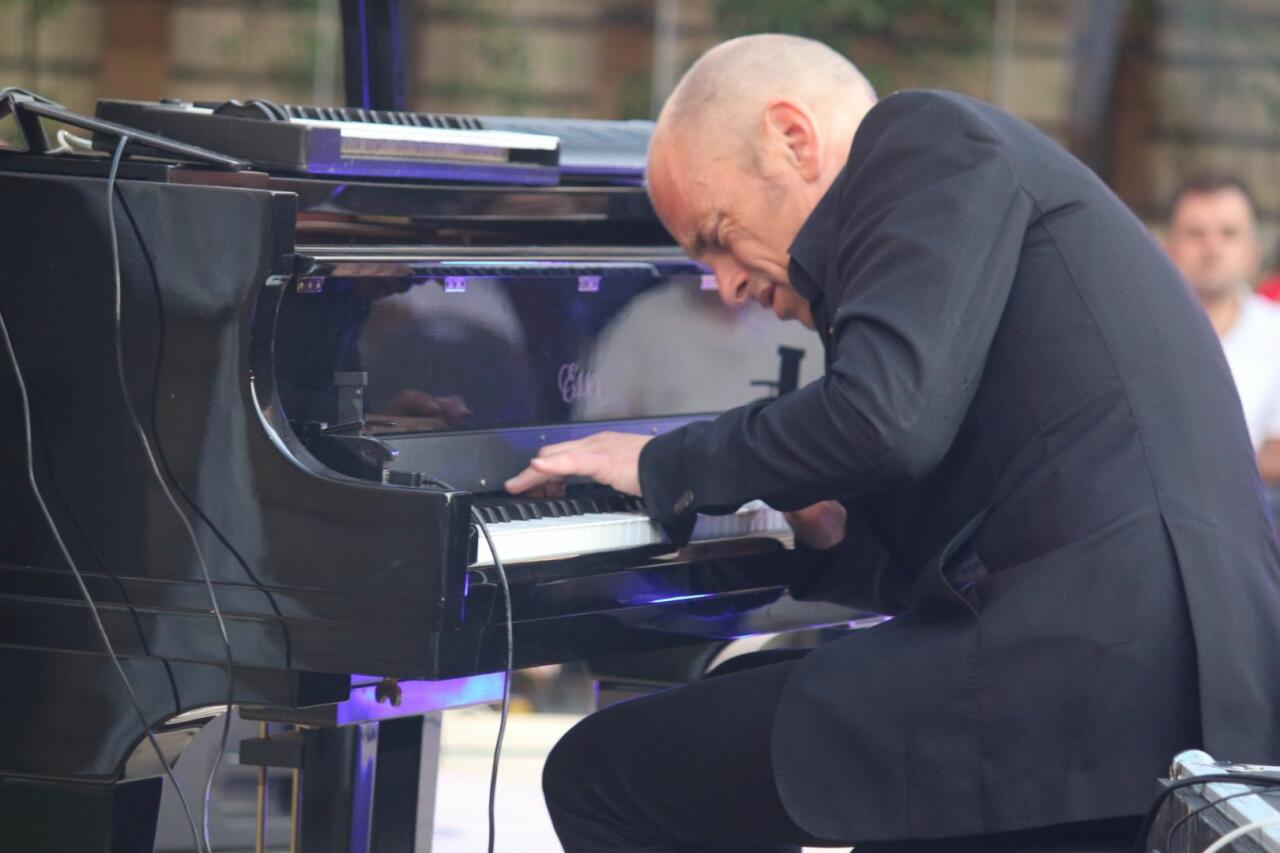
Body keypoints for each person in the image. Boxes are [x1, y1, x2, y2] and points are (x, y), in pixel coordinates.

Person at [506, 35, 1280, 851]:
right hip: (1146, 681)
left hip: (1079, 680)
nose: (725, 284)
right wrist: (831, 533)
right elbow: (962, 501)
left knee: (607, 774)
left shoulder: (921, 141)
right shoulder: (950, 193)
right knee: (737, 706)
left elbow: (883, 421)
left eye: (718, 233)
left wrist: (663, 461)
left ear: (793, 138)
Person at [1164, 176, 1280, 491]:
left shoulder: (1276, 333)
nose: (1212, 248)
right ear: (1168, 251)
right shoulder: (1136, 331)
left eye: (1228, 233)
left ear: (1254, 253)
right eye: (1196, 234)